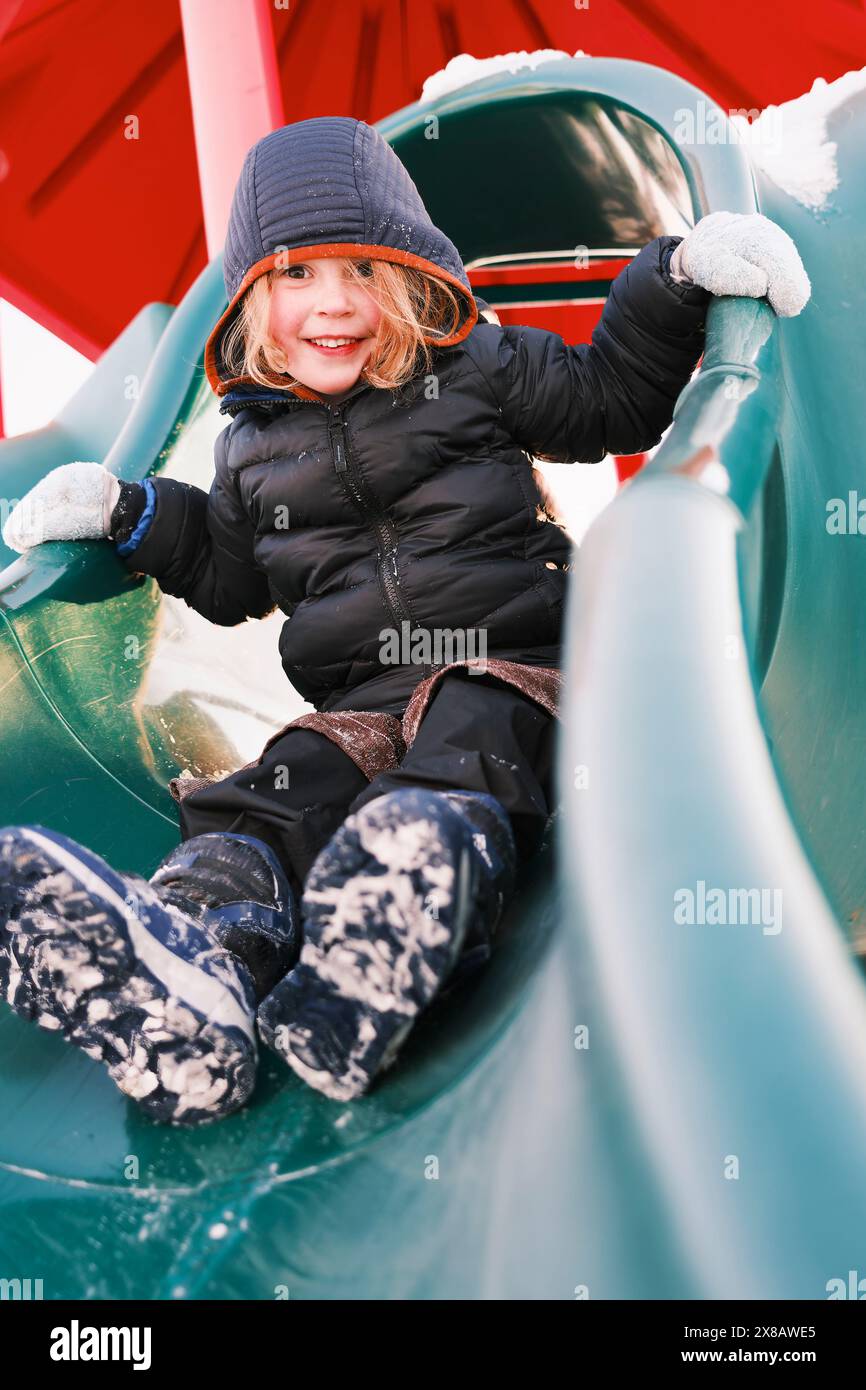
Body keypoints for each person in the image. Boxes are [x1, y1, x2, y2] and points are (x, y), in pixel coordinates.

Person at [0, 118, 811, 1124]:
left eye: (361, 270)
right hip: (355, 704)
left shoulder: (477, 368)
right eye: (296, 276)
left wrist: (674, 282)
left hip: (511, 666)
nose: (331, 302)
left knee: (469, 737)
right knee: (273, 794)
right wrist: (134, 515)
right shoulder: (252, 446)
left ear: (409, 276)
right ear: (254, 298)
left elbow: (609, 403)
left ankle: (392, 916)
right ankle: (195, 965)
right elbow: (228, 575)